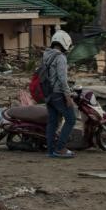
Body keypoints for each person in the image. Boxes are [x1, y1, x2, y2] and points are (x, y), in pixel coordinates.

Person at [41, 30, 77, 159]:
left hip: (48, 94)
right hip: (58, 94)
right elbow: (62, 79)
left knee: (52, 122)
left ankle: (51, 150)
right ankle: (60, 148)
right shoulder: (60, 57)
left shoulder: (46, 55)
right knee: (71, 119)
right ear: (65, 43)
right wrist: (68, 97)